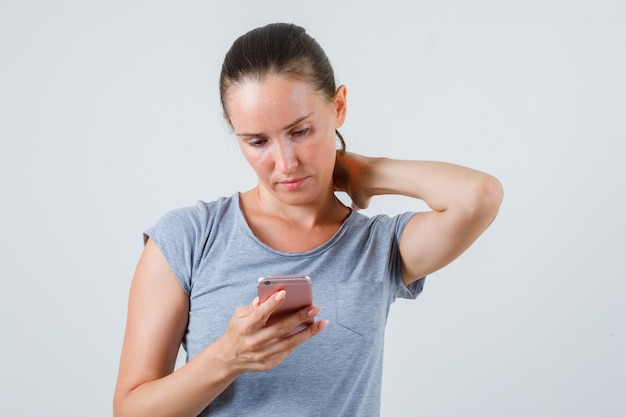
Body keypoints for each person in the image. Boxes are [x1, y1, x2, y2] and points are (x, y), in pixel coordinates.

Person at [113, 22, 503, 417]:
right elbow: (130, 410)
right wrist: (225, 359)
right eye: (258, 141)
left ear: (338, 107)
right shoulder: (187, 239)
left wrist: (366, 171)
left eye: (300, 131)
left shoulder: (378, 247)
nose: (285, 164)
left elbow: (479, 196)